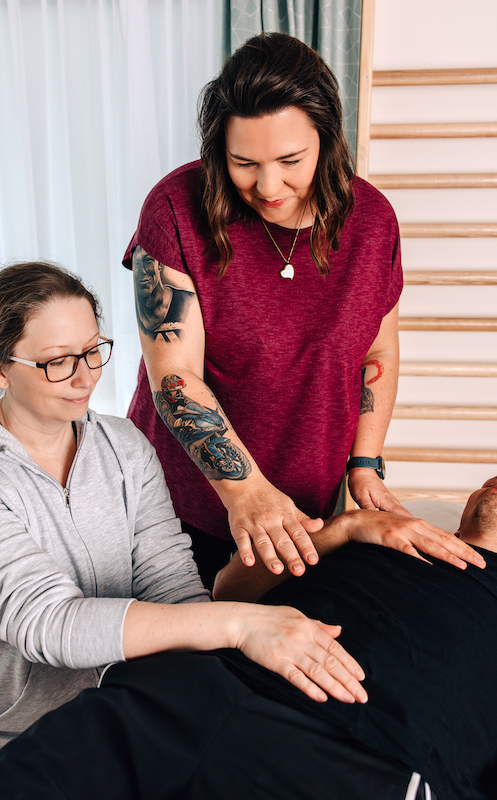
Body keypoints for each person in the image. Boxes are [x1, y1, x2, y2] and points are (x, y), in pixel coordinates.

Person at [0, 260, 374, 771]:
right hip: (2, 750)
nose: (84, 376)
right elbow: (50, 624)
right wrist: (241, 625)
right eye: (58, 361)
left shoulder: (124, 446)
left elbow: (175, 595)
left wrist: (340, 531)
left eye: (93, 351)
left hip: (121, 718)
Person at [0, 480, 494, 800]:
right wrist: (347, 528)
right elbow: (224, 590)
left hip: (359, 753)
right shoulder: (387, 531)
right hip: (189, 689)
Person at [123, 32, 408, 589]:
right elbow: (175, 374)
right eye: (243, 163)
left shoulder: (371, 220)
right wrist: (245, 491)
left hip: (308, 503)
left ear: (327, 140)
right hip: (179, 501)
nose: (269, 185)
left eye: (290, 160)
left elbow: (377, 347)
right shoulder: (175, 208)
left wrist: (365, 462)